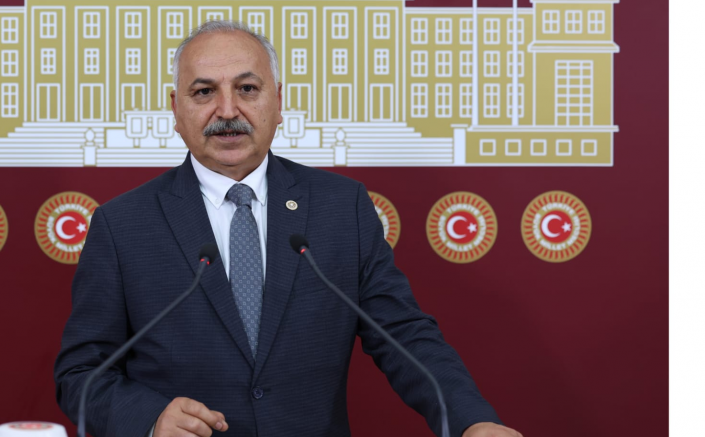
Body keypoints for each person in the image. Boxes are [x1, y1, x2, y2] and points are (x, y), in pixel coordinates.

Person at [55, 21, 523, 437]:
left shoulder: (342, 208)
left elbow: (403, 336)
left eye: (247, 88)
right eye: (204, 92)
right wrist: (150, 419)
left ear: (278, 101)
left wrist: (470, 421)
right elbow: (81, 374)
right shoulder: (122, 225)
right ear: (176, 110)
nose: (227, 110)